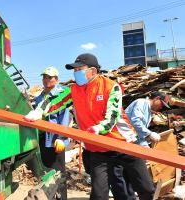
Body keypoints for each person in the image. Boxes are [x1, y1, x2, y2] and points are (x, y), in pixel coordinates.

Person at [24, 53, 155, 200]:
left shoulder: (111, 87)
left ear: (92, 71)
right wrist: (39, 111)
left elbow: (112, 117)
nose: (76, 73)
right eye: (74, 70)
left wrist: (98, 129)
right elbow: (56, 102)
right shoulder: (74, 90)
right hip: (97, 150)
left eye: (79, 69)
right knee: (99, 195)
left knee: (146, 189)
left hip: (124, 145)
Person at [35, 66, 70, 200]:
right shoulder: (39, 98)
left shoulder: (61, 95)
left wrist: (62, 137)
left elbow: (65, 118)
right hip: (43, 139)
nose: (46, 80)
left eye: (49, 77)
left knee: (59, 173)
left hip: (56, 140)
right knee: (47, 172)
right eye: (44, 77)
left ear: (56, 79)